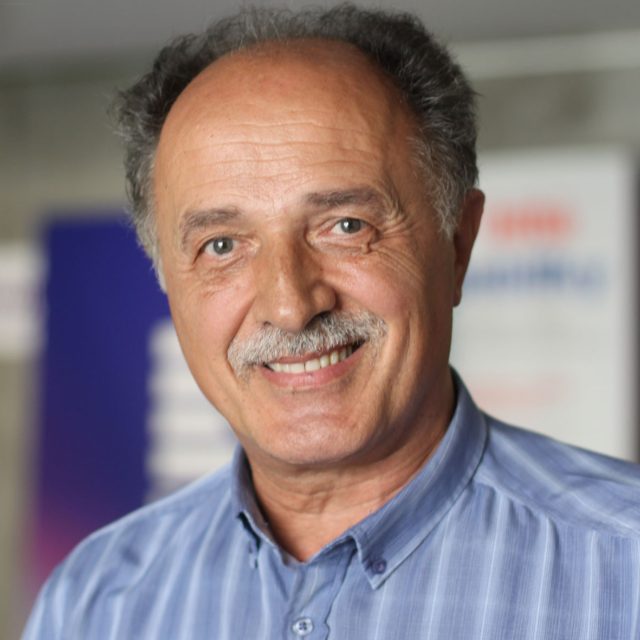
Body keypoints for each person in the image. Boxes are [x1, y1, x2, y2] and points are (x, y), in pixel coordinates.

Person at [24, 5, 640, 639]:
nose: (290, 305)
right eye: (222, 245)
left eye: (346, 226)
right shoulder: (95, 602)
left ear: (458, 243)